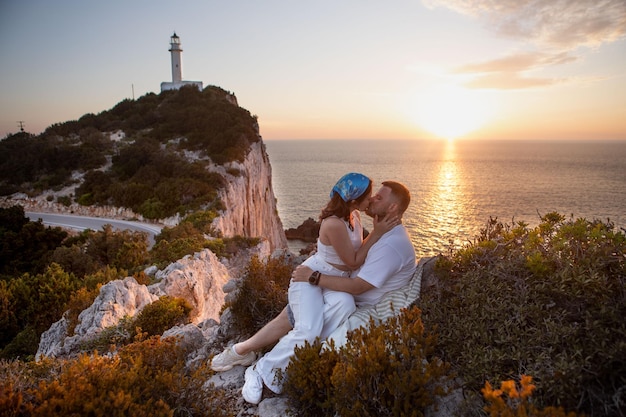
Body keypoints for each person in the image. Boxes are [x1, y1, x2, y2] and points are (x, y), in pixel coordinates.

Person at [211, 173, 399, 402]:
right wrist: (378, 233)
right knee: (308, 329)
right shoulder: (334, 224)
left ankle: (296, 357)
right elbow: (353, 261)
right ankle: (260, 369)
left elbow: (355, 255)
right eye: (368, 196)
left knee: (345, 306)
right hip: (309, 278)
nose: (371, 199)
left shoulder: (355, 216)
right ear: (352, 200)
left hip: (331, 282)